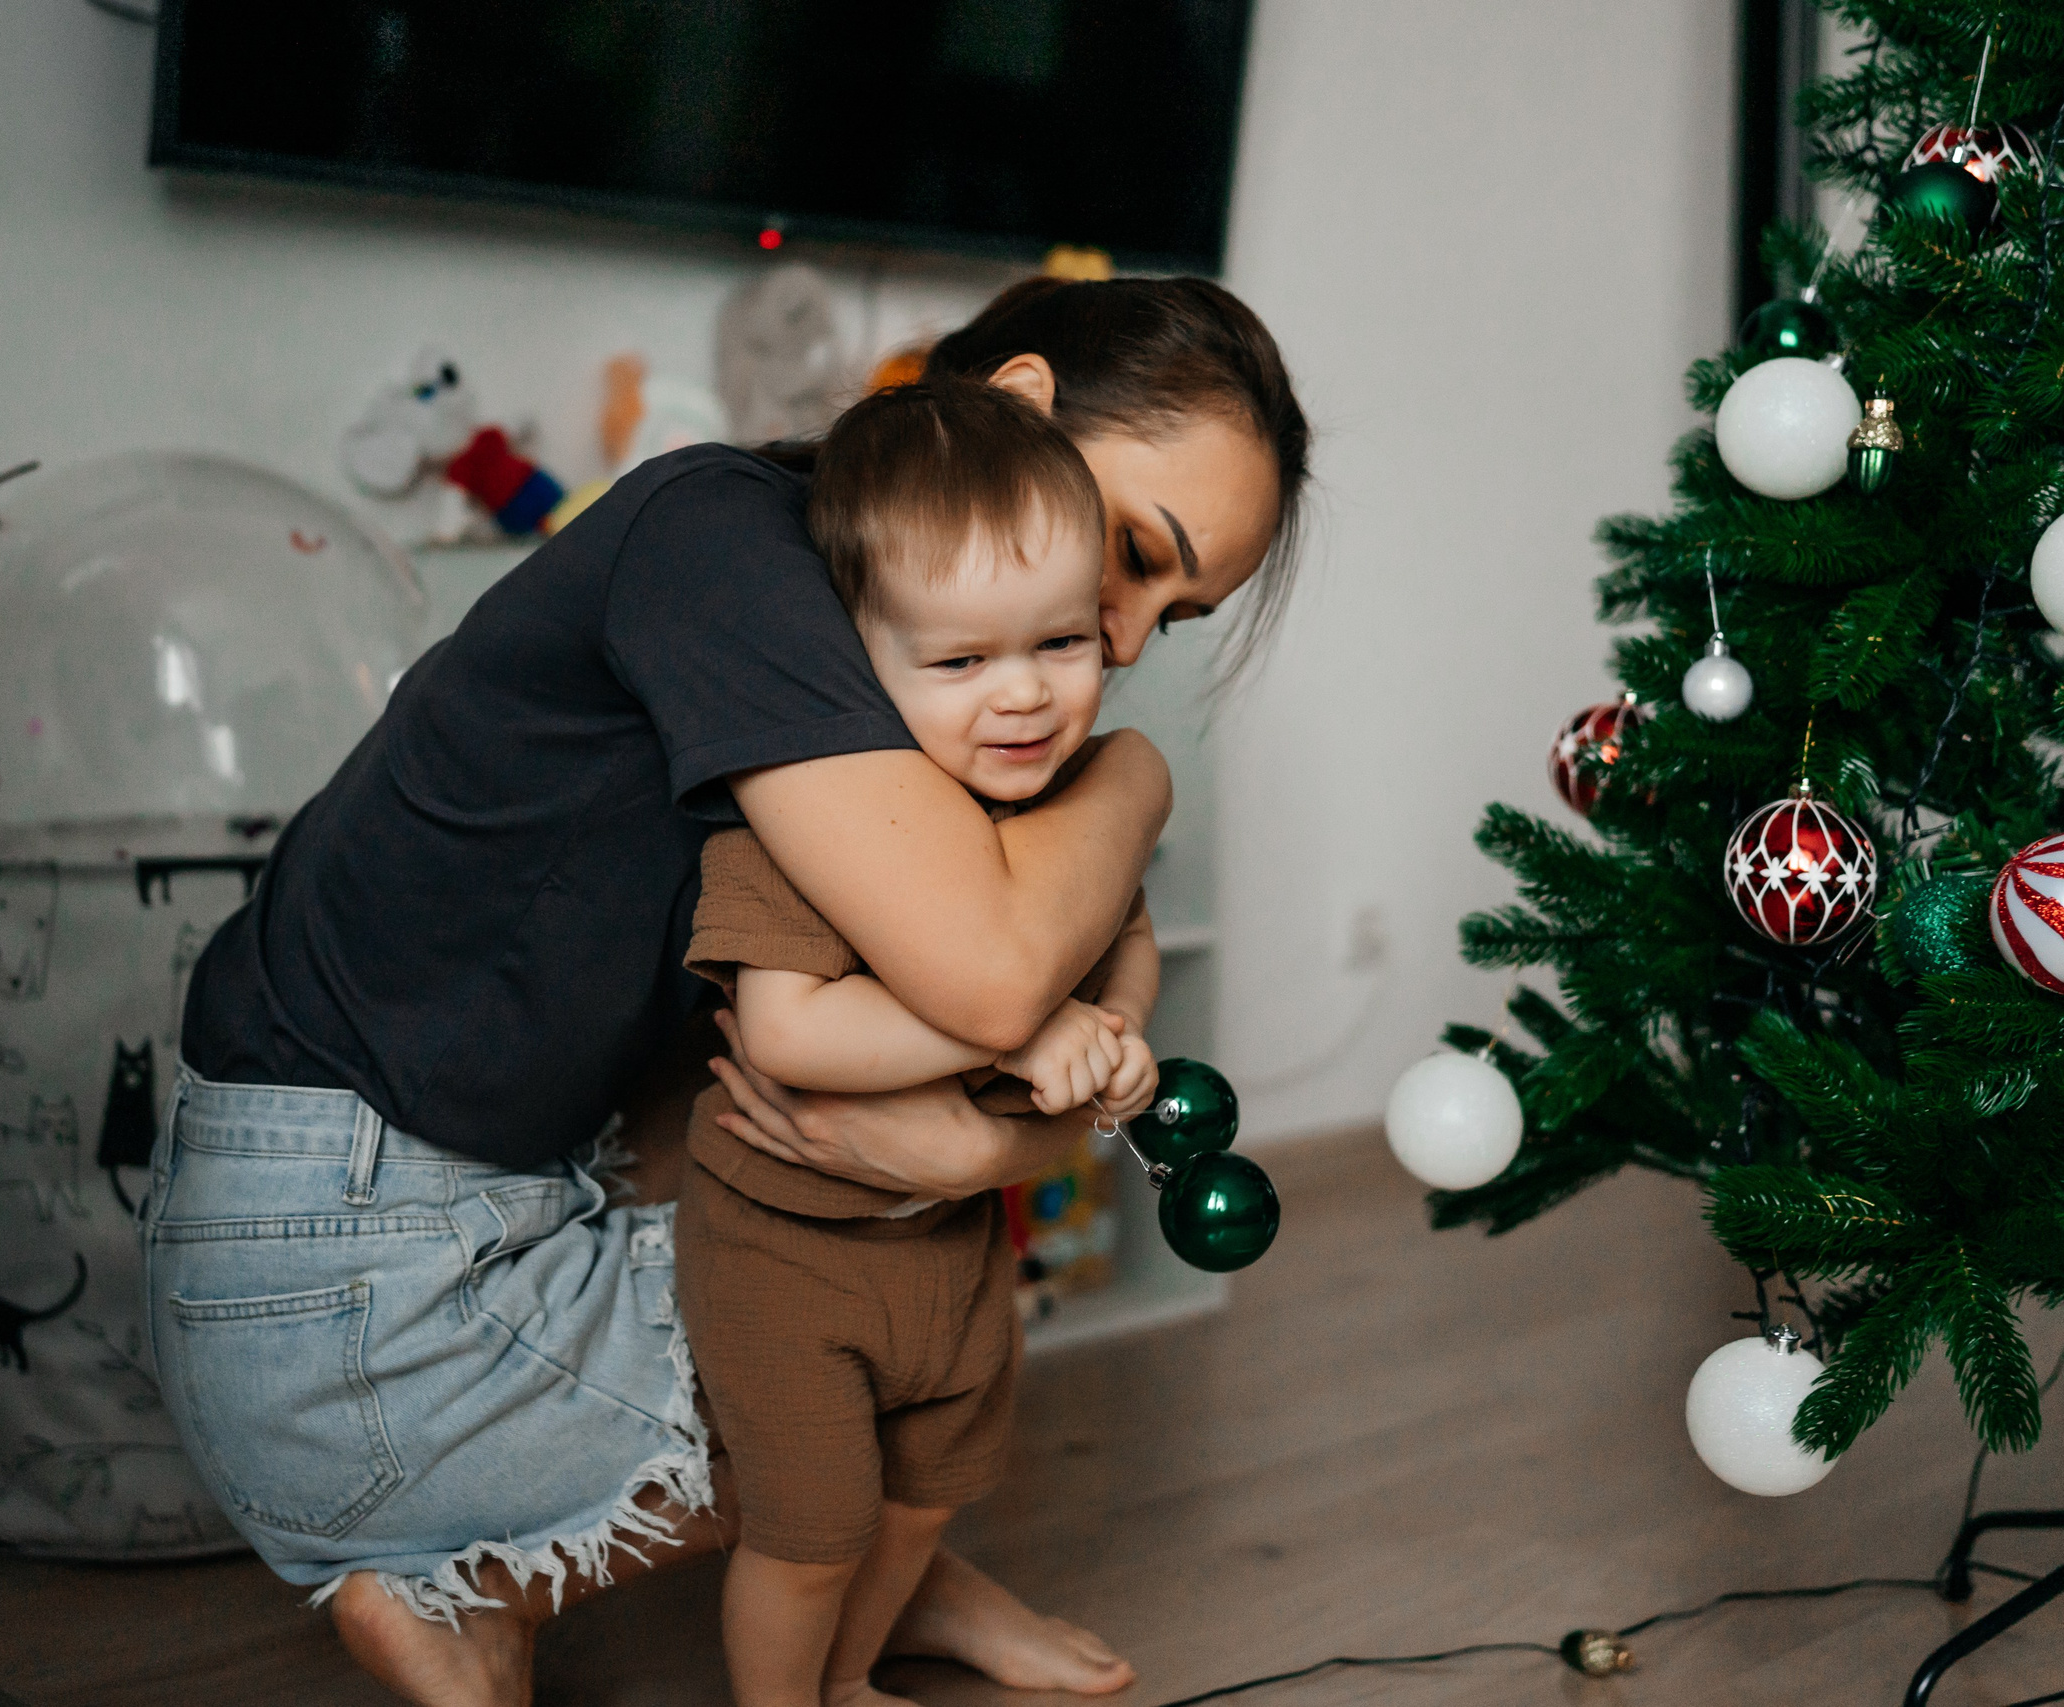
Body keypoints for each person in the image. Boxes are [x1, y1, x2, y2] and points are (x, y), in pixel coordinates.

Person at [146, 275, 1311, 1707]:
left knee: (913, 1279)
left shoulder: (902, 681)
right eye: (1136, 553)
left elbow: (983, 1040)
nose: (1125, 644)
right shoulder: (725, 546)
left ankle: (859, 1573)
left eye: (1171, 619)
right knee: (864, 1331)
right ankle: (475, 1577)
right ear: (1018, 408)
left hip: (469, 1213)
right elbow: (1005, 984)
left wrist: (1000, 1141)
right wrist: (1141, 778)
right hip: (335, 1297)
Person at [674, 379, 1165, 1707]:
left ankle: (847, 1688)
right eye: (958, 664)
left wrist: (1115, 1027)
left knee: (922, 1502)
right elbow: (790, 1029)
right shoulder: (813, 823)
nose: (1021, 699)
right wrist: (1034, 1019)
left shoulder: (1062, 811)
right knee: (811, 1530)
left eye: (1059, 645)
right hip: (792, 1258)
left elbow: (1123, 930)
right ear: (856, 660)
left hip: (949, 1251)